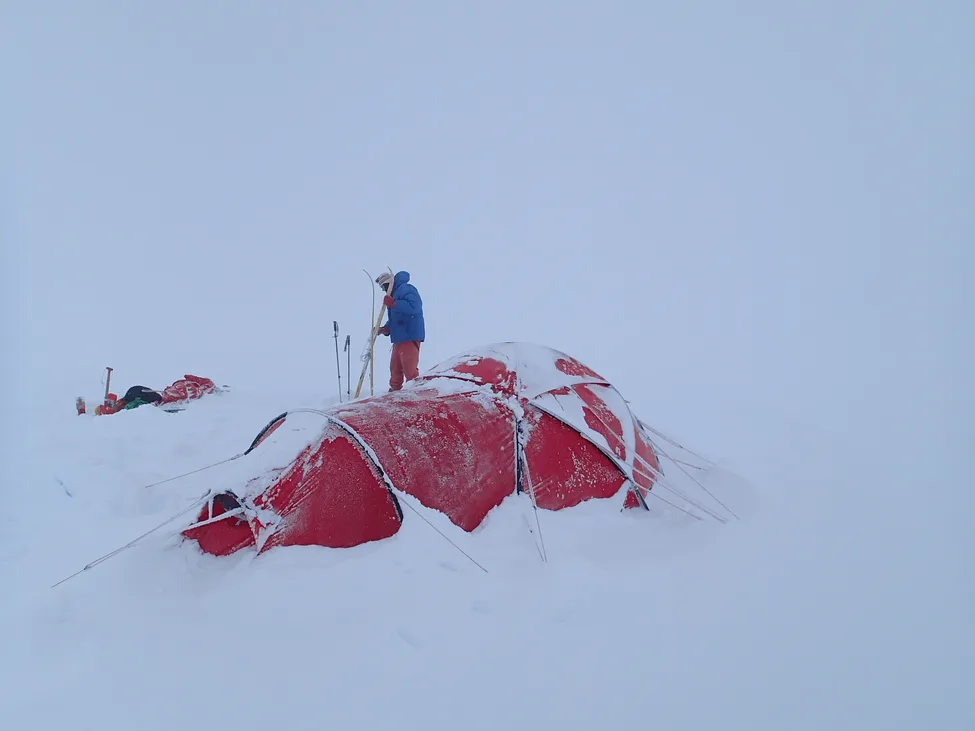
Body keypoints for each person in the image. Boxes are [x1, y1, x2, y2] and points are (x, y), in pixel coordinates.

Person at [376, 270, 425, 391]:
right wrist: (386, 329)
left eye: (384, 286)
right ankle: (394, 392)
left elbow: (415, 307)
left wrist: (394, 304)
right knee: (395, 368)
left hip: (409, 336)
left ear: (389, 283)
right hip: (398, 338)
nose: (383, 290)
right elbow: (395, 319)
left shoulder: (406, 289)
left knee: (409, 369)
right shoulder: (393, 296)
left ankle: (415, 393)